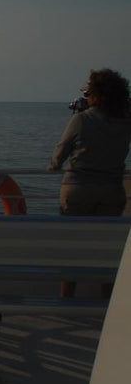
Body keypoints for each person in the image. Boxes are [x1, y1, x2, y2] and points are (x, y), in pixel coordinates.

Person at [48, 68, 131, 298]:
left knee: (71, 245)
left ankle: (67, 297)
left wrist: (54, 165)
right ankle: (107, 300)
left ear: (94, 94)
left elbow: (60, 153)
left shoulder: (81, 119)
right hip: (111, 189)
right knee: (106, 246)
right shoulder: (126, 122)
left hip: (78, 188)